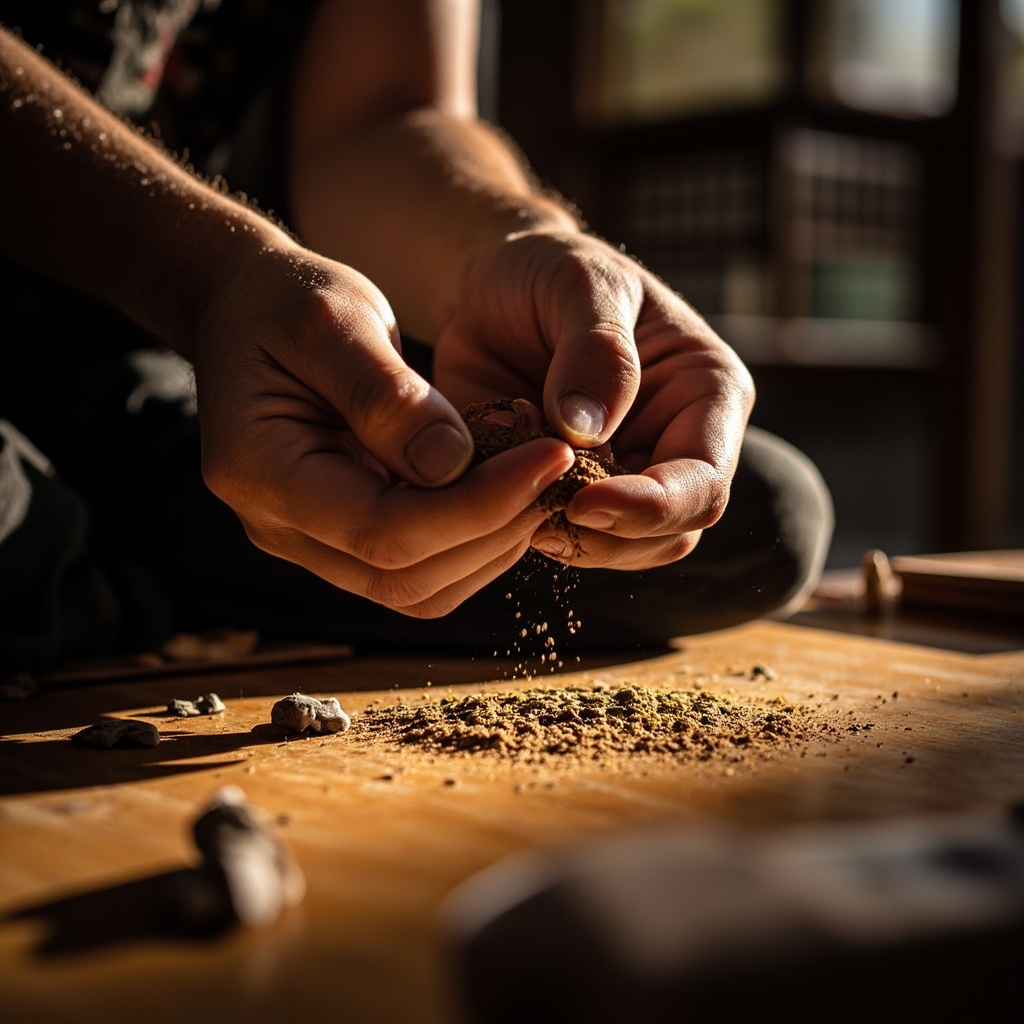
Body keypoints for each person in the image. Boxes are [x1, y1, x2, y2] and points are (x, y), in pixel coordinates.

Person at [0, 0, 833, 672]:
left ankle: (79, 567)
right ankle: (95, 570)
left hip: (171, 365)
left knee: (757, 519)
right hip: (195, 297)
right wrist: (209, 279)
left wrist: (512, 241)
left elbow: (387, 113)